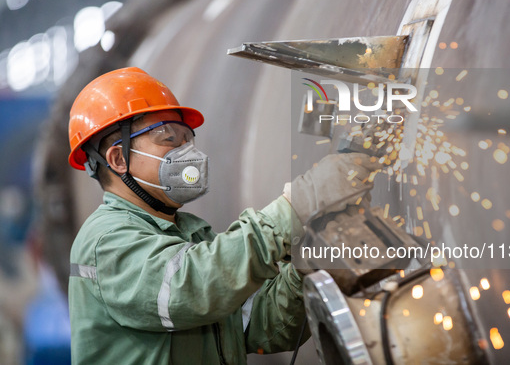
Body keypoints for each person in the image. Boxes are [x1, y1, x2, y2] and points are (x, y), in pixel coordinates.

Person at [67, 67, 379, 364]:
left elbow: (261, 327)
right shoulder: (106, 241)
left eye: (187, 138)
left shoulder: (188, 234)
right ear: (118, 158)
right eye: (168, 139)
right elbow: (191, 289)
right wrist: (298, 205)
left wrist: (305, 261)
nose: (186, 151)